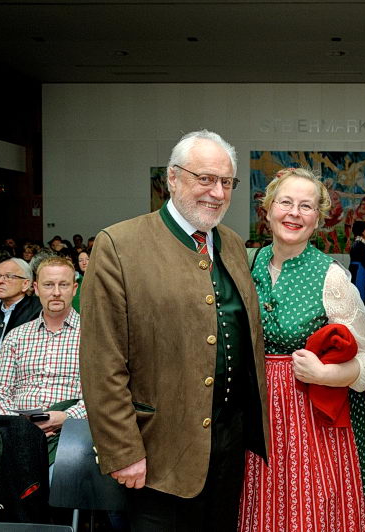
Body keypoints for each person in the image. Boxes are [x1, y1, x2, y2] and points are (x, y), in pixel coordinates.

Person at [79, 130, 269, 531]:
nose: (217, 192)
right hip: (157, 450)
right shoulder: (120, 245)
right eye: (205, 178)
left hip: (228, 444)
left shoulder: (233, 245)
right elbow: (102, 362)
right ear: (172, 177)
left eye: (226, 182)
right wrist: (123, 450)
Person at [239, 168, 365, 532]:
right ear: (268, 209)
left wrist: (326, 373)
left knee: (309, 510)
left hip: (312, 421)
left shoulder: (331, 277)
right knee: (259, 509)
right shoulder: (246, 264)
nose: (294, 213)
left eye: (306, 206)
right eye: (285, 202)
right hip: (257, 415)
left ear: (317, 219)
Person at [0, 256, 85, 457]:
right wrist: (17, 424)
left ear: (74, 289)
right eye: (48, 285)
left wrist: (67, 417)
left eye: (63, 285)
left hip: (72, 433)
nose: (56, 292)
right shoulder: (17, 336)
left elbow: (103, 395)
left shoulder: (94, 335)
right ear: (36, 288)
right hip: (16, 432)